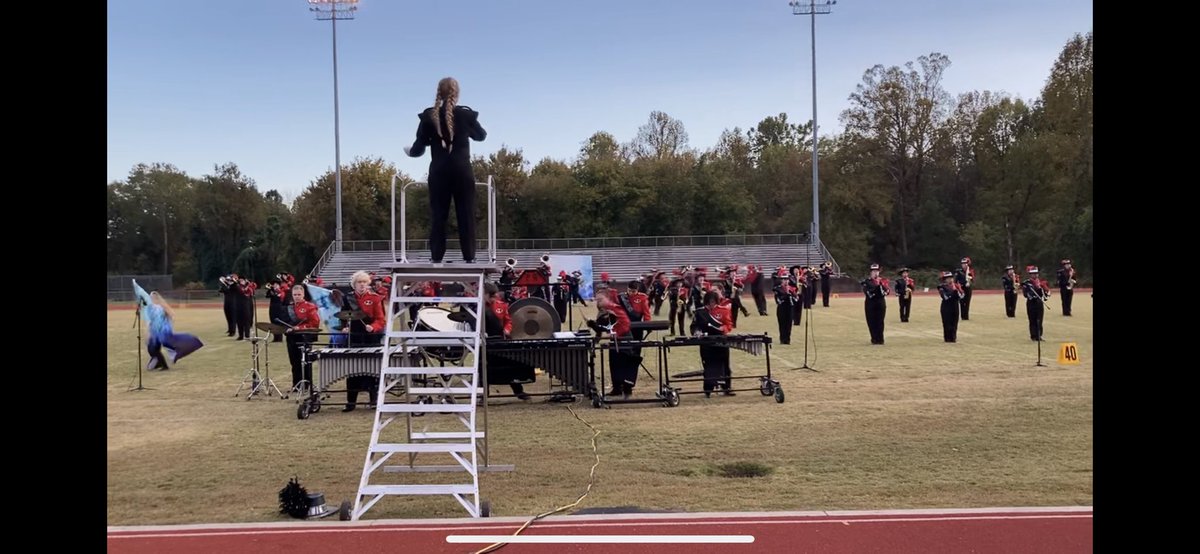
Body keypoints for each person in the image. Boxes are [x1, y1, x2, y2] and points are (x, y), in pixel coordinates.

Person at [403, 77, 488, 264]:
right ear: (456, 94)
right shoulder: (466, 115)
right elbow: (481, 136)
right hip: (462, 172)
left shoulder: (428, 116)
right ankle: (469, 257)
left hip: (439, 173)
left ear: (438, 93)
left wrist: (409, 151)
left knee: (438, 215)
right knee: (465, 214)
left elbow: (418, 149)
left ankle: (436, 257)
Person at [132, 280, 203, 371]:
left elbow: (172, 315)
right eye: (151, 297)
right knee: (152, 349)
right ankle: (159, 363)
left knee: (155, 348)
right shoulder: (150, 308)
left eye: (154, 297)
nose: (152, 298)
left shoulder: (162, 307)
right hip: (155, 332)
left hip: (162, 332)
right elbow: (149, 320)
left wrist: (166, 320)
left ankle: (162, 364)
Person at [343, 270, 388, 411]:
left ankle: (374, 400)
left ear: (368, 284)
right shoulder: (348, 298)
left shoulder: (375, 298)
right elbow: (342, 316)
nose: (362, 285)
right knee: (352, 370)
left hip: (371, 337)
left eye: (364, 282)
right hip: (354, 337)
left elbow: (381, 320)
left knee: (372, 370)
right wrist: (344, 327)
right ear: (354, 284)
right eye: (359, 282)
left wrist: (373, 327)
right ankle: (351, 403)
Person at [483, 282, 533, 399]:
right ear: (485, 295)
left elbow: (508, 321)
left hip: (500, 340)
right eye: (491, 296)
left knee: (509, 364)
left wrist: (507, 330)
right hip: (485, 341)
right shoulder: (479, 307)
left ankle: (518, 391)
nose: (493, 299)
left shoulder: (502, 306)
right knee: (484, 367)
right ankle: (483, 394)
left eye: (494, 296)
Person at [691, 289, 735, 397]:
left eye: (713, 302)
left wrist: (723, 328)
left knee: (725, 365)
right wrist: (697, 332)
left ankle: (726, 387)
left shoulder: (724, 311)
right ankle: (708, 389)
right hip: (706, 343)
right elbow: (694, 326)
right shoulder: (700, 312)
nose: (711, 304)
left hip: (721, 342)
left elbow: (728, 325)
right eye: (709, 302)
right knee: (708, 365)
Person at [283, 284, 321, 389]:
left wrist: (300, 328)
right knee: (294, 362)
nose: (297, 296)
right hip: (291, 337)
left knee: (305, 361)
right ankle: (296, 384)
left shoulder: (310, 306)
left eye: (299, 294)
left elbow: (315, 323)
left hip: (304, 337)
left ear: (303, 294)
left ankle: (306, 384)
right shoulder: (289, 307)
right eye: (295, 295)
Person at [861, 264, 890, 345]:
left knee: (880, 321)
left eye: (876, 271)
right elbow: (868, 292)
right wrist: (877, 288)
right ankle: (874, 338)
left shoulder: (883, 281)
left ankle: (880, 339)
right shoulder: (867, 281)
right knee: (871, 321)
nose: (875, 273)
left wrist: (880, 285)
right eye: (873, 271)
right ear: (871, 272)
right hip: (870, 303)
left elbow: (887, 291)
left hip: (880, 302)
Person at [1022, 265, 1052, 341]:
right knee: (1032, 320)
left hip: (1039, 303)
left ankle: (1039, 335)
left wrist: (1045, 292)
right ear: (1030, 274)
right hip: (1031, 303)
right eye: (1033, 273)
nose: (1035, 275)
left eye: (1036, 273)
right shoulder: (1027, 283)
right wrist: (1031, 293)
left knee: (1039, 320)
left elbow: (1044, 293)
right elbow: (1025, 294)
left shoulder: (1041, 283)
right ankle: (1033, 335)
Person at [772, 266, 798, 345]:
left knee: (789, 324)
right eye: (784, 279)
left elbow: (796, 299)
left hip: (790, 308)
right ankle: (782, 339)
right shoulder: (777, 289)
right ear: (781, 281)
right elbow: (779, 300)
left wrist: (792, 294)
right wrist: (786, 294)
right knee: (782, 324)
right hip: (782, 308)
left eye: (787, 279)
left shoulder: (792, 288)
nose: (786, 281)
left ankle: (788, 339)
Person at [937, 271, 964, 343]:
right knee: (947, 323)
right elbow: (945, 297)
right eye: (948, 278)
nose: (950, 280)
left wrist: (957, 291)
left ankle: (953, 338)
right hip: (946, 306)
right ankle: (947, 338)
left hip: (955, 305)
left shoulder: (956, 285)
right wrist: (953, 293)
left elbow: (962, 295)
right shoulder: (941, 287)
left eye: (951, 278)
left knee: (954, 322)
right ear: (945, 279)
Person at [955, 257, 976, 321]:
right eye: (962, 263)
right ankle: (962, 316)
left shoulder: (970, 271)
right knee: (962, 302)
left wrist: (971, 277)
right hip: (961, 288)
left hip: (968, 288)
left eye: (965, 263)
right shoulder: (958, 271)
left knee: (967, 302)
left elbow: (973, 280)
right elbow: (955, 281)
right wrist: (958, 288)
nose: (963, 265)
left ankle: (966, 317)